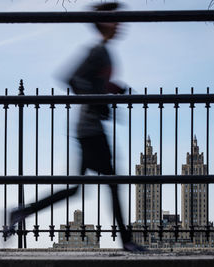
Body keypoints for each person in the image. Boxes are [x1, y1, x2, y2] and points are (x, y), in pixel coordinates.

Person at [7, 3, 145, 252]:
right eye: (116, 19)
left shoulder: (103, 52)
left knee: (77, 188)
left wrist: (113, 88)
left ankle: (21, 212)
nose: (121, 23)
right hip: (90, 130)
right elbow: (72, 78)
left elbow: (90, 81)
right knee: (112, 182)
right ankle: (126, 241)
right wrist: (98, 102)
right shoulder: (97, 51)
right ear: (103, 22)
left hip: (87, 129)